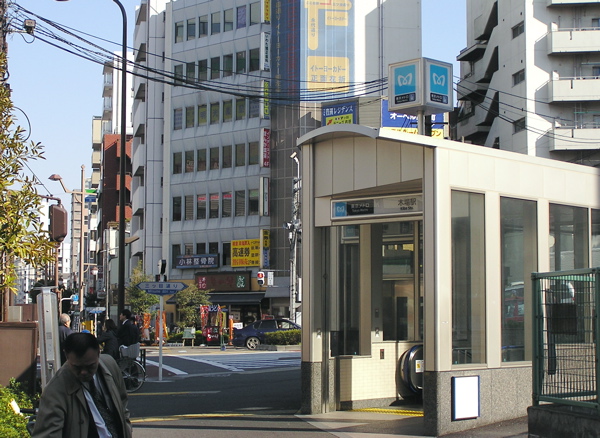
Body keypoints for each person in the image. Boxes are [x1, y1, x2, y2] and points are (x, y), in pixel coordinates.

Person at [32, 332, 132, 438]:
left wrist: (127, 429)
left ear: (98, 353)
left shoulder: (109, 364)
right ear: (66, 356)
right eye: (77, 367)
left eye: (90, 366)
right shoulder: (55, 390)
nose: (84, 372)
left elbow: (122, 402)